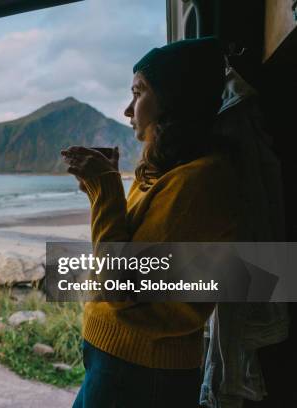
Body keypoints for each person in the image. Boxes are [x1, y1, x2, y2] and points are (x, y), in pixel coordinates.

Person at [63, 37, 239, 408]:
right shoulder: (165, 174)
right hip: (120, 359)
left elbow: (117, 283)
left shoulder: (199, 182)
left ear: (175, 99)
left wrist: (106, 187)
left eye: (139, 92)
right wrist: (103, 188)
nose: (128, 110)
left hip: (141, 372)